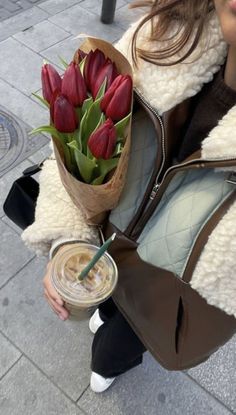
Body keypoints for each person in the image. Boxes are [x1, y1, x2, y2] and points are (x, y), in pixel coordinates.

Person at [22, 0, 236, 393]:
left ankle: (110, 364)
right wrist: (67, 237)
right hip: (102, 246)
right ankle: (105, 311)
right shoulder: (161, 36)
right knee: (103, 304)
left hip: (161, 299)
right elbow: (73, 147)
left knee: (116, 347)